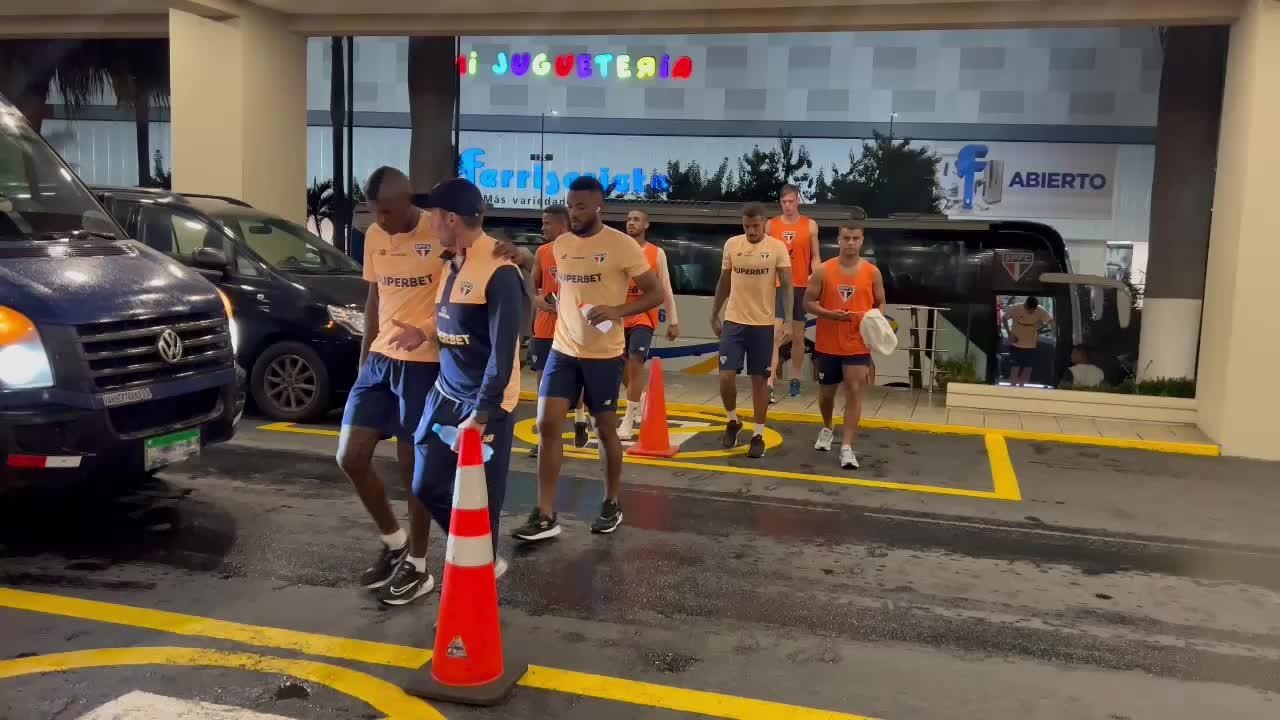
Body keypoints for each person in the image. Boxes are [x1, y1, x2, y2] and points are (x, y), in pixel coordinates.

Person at [386, 177, 524, 586]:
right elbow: (451, 318)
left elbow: (502, 356)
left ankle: (478, 578)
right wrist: (424, 332)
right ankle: (473, 549)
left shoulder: (500, 271)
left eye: (433, 216)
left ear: (450, 218)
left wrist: (482, 415)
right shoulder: (452, 264)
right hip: (444, 394)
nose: (429, 223)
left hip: (486, 406)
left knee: (483, 503)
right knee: (425, 485)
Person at [513, 176, 665, 542]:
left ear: (599, 207)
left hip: (603, 355)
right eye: (570, 205)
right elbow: (547, 280)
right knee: (548, 424)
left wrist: (618, 310)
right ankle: (546, 513)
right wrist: (543, 298)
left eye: (580, 206)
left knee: (603, 430)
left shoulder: (622, 245)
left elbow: (655, 293)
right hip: (563, 351)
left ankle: (611, 501)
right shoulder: (560, 246)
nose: (574, 212)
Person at [334, 167, 442, 606]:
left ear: (406, 201)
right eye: (374, 213)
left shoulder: (438, 231)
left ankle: (417, 564)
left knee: (411, 467)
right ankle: (394, 541)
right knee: (350, 456)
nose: (379, 221)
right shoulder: (376, 237)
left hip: (422, 363)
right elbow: (375, 295)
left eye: (387, 212)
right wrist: (365, 360)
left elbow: (462, 294)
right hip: (380, 359)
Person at [711, 202, 793, 459]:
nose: (751, 230)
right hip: (734, 321)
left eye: (756, 226)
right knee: (726, 376)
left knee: (759, 381)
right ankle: (733, 420)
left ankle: (758, 434)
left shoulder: (777, 247)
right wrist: (714, 313)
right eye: (747, 226)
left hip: (763, 324)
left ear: (764, 223)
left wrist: (789, 320)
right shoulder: (732, 245)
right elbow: (724, 281)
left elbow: (788, 286)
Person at [805, 214, 885, 469]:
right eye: (846, 238)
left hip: (857, 344)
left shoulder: (872, 272)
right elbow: (807, 302)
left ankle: (848, 447)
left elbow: (880, 301)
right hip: (828, 344)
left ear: (862, 241)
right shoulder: (823, 270)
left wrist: (876, 317)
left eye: (856, 238)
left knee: (854, 390)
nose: (851, 243)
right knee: (827, 393)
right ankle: (828, 426)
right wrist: (829, 314)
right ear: (838, 240)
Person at [529, 205, 590, 457]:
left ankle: (579, 418)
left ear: (562, 226)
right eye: (542, 223)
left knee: (572, 381)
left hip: (572, 329)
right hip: (544, 328)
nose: (542, 228)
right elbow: (532, 288)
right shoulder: (542, 252)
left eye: (547, 224)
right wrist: (537, 300)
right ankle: (544, 438)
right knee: (543, 382)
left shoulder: (582, 251)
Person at [618, 208, 680, 440]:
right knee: (622, 366)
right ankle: (640, 401)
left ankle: (628, 419)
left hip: (644, 316)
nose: (630, 223)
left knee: (635, 362)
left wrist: (673, 320)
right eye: (628, 219)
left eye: (636, 219)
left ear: (646, 225)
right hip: (620, 315)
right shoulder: (618, 251)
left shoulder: (656, 253)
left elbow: (665, 287)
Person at [768, 185, 821, 401]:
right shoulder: (772, 225)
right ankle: (769, 381)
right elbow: (765, 253)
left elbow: (815, 257)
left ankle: (796, 379)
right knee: (776, 333)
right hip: (779, 286)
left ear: (797, 200)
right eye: (784, 202)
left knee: (798, 336)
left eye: (791, 201)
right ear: (780, 202)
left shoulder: (809, 225)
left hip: (800, 285)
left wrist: (815, 275)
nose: (788, 206)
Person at [1005, 296, 1054, 386]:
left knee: (1028, 369)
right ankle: (1012, 388)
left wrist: (1048, 329)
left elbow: (1051, 321)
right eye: (1028, 309)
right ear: (1025, 304)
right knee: (1015, 367)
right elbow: (1004, 318)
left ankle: (1022, 388)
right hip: (1016, 343)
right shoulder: (1016, 308)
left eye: (1032, 310)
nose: (1030, 312)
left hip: (1031, 345)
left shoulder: (1040, 310)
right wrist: (1009, 333)